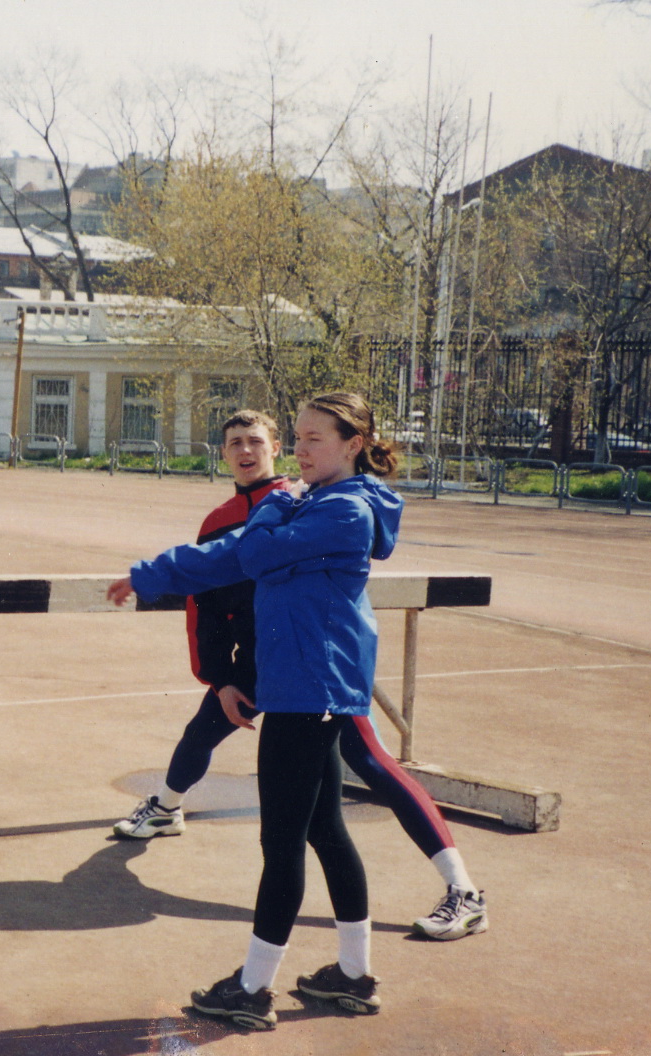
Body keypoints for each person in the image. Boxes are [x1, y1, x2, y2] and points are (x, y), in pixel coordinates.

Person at [112, 409, 486, 944]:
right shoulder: (242, 512)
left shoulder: (304, 500)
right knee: (205, 736)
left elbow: (255, 555)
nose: (245, 451)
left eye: (256, 442)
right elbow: (209, 599)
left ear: (275, 446)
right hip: (262, 663)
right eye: (234, 443)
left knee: (365, 769)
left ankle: (462, 889)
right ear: (222, 452)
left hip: (313, 668)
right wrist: (219, 678)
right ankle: (167, 808)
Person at [107, 392, 402, 1030]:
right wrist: (152, 574)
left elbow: (254, 554)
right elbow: (223, 556)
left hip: (306, 694)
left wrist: (271, 507)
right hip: (306, 689)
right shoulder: (314, 502)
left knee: (282, 844)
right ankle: (353, 976)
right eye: (296, 436)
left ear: (353, 444)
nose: (300, 449)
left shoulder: (344, 510)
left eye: (314, 438)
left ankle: (252, 989)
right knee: (325, 831)